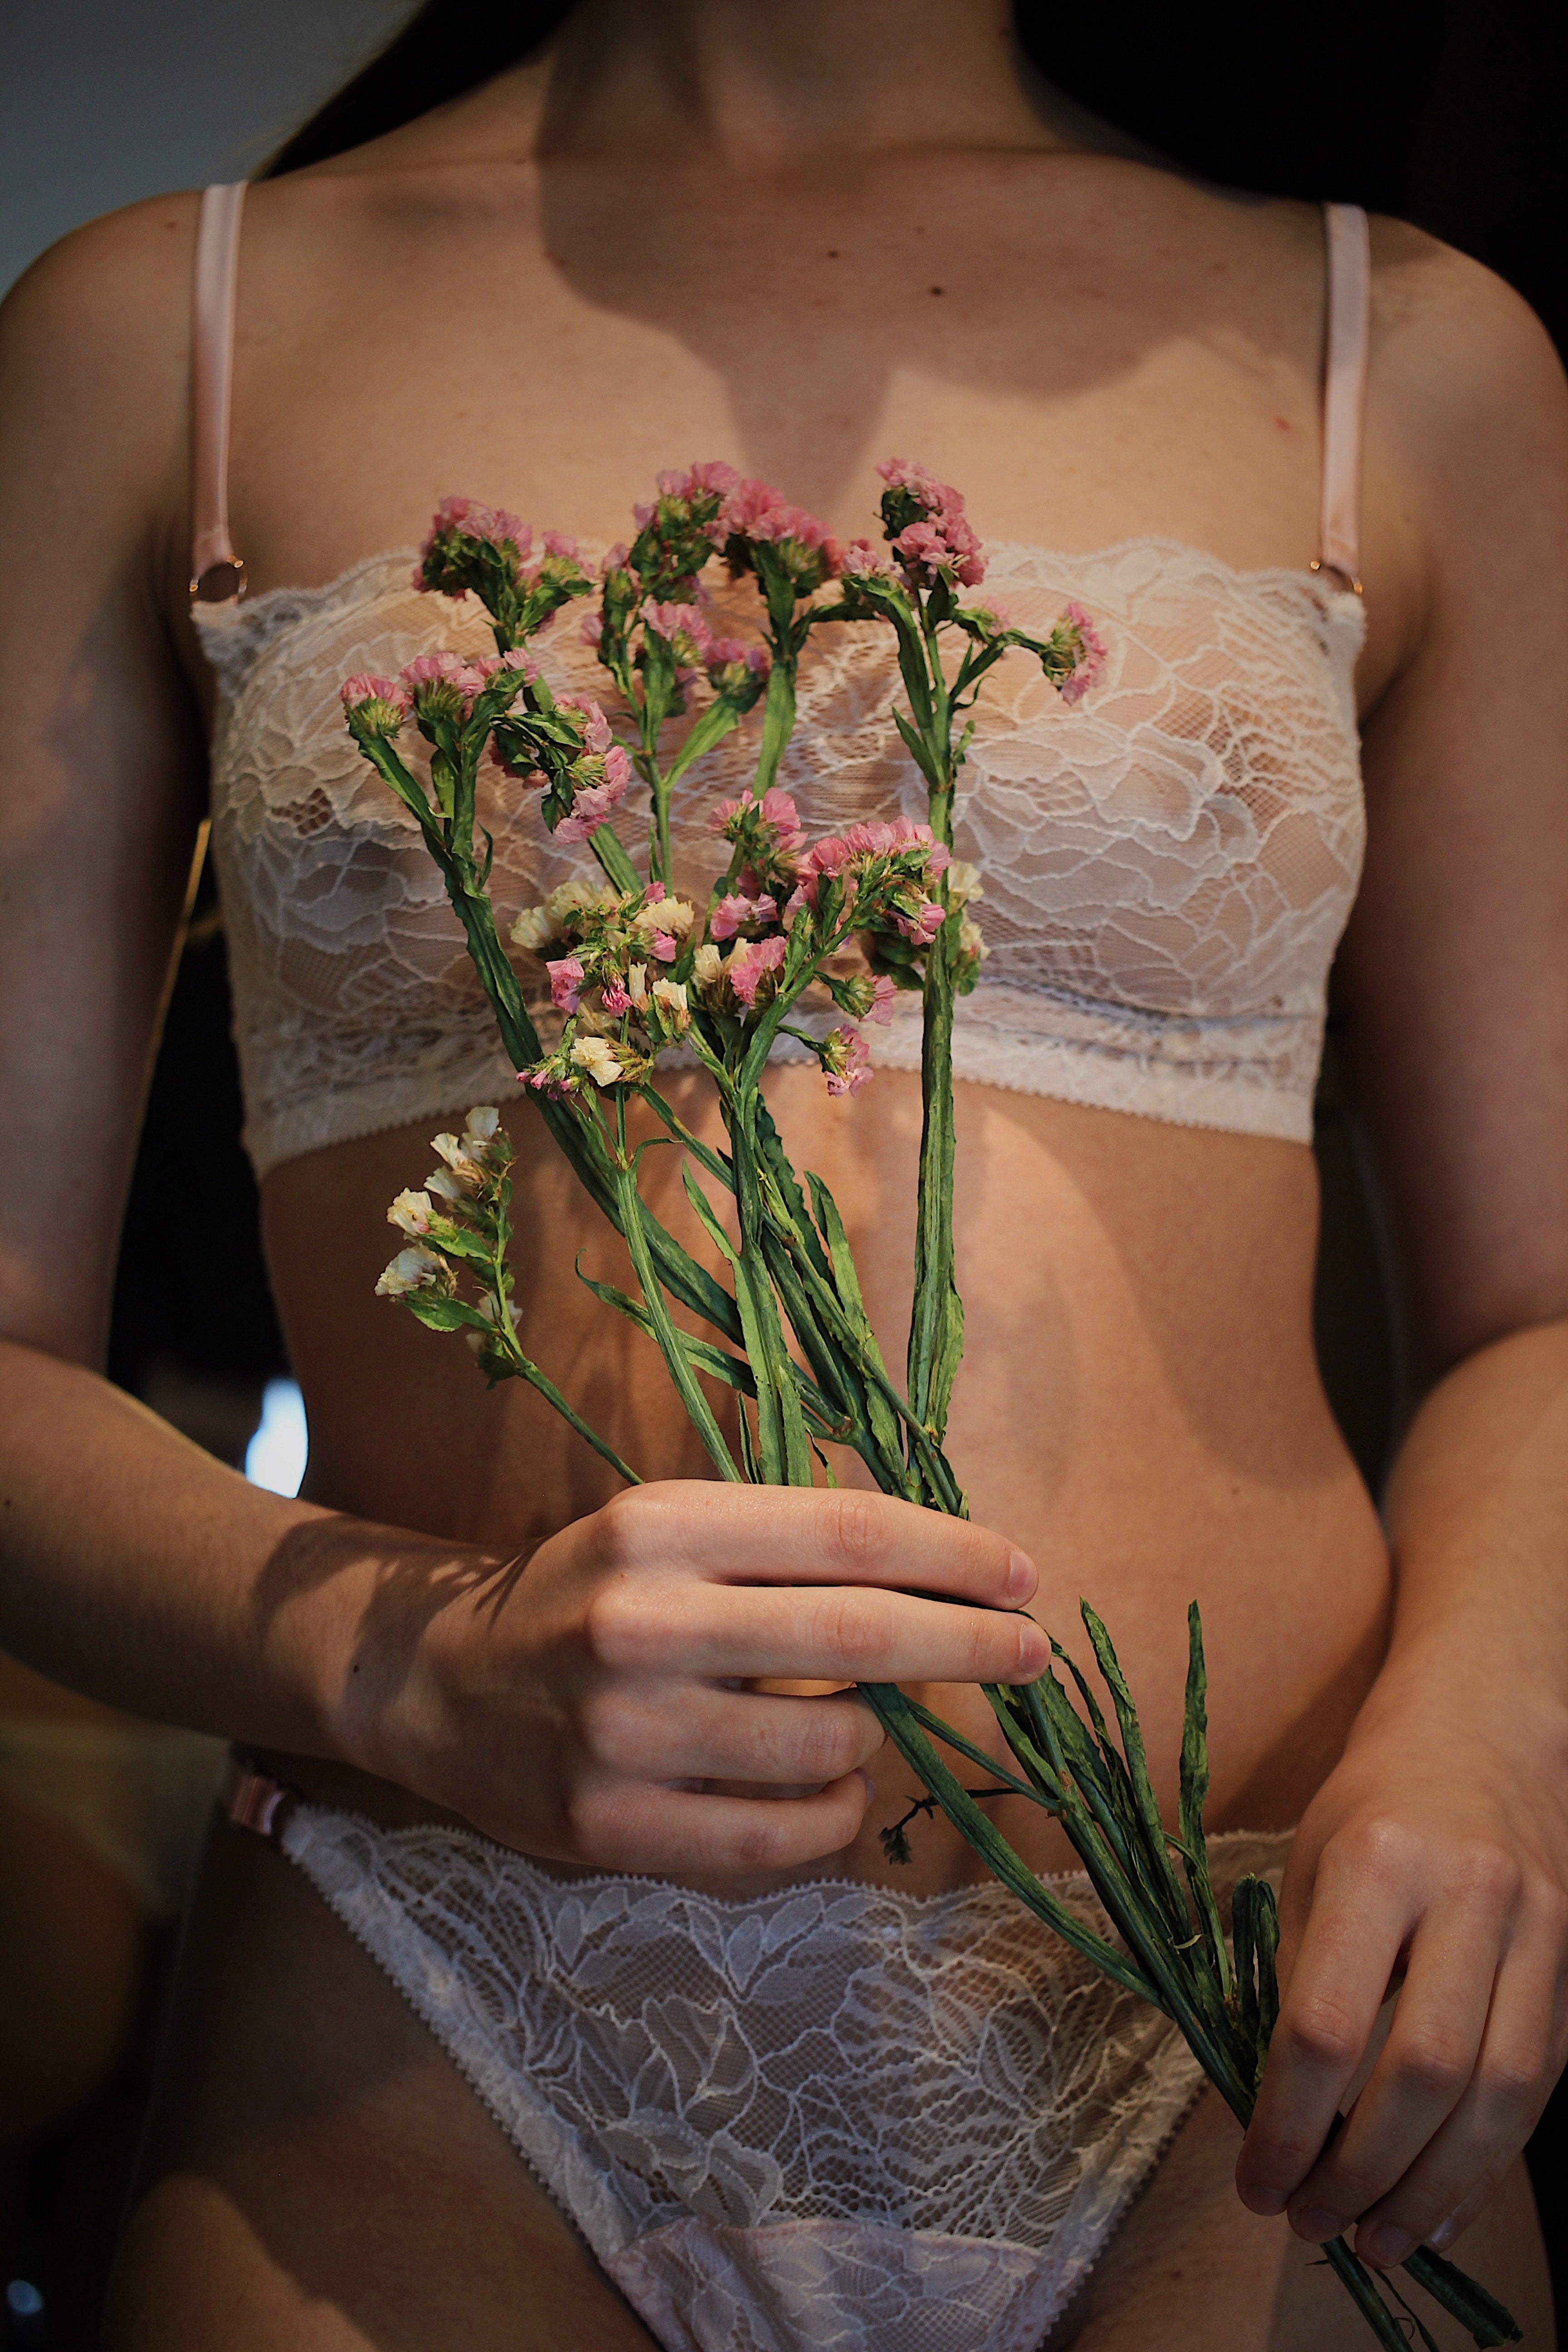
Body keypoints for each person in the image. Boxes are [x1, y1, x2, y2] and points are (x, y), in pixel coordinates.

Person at [0, 3, 1563, 2344]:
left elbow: (1538, 1310)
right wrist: (401, 1668)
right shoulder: (172, 332)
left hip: (1253, 2001)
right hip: (438, 2000)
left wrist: (1488, 1744)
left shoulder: (1406, 353)